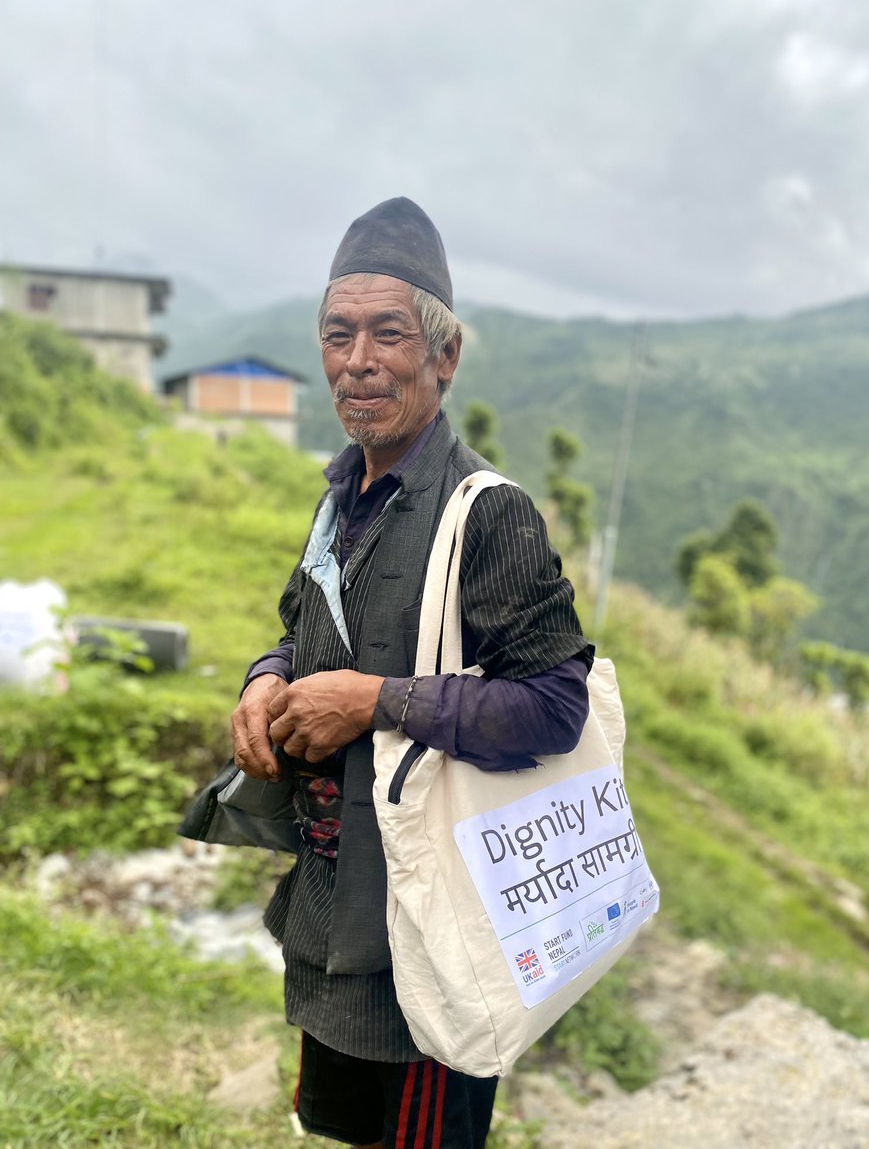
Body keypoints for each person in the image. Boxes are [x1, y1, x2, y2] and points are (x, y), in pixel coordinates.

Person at [231, 197, 593, 1149]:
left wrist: (377, 702)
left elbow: (557, 706)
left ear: (444, 354)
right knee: (343, 1130)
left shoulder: (489, 515)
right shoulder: (339, 494)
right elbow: (298, 627)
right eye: (337, 334)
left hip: (434, 932)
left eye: (388, 334)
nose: (358, 360)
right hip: (337, 910)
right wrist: (265, 681)